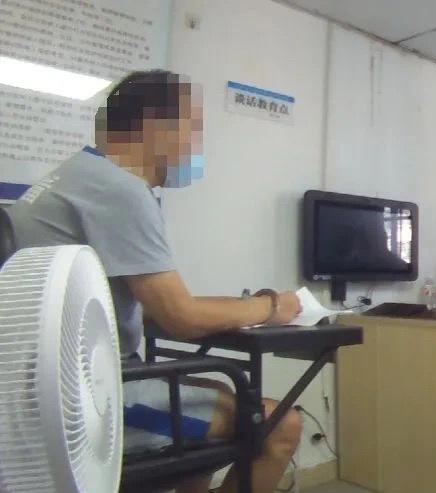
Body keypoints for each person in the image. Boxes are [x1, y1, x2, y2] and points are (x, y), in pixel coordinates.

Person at [8, 70, 303, 493]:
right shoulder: (119, 189)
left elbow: (157, 304)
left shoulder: (76, 174)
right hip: (81, 397)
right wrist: (273, 305)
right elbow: (181, 316)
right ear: (155, 127)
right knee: (280, 424)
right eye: (191, 130)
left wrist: (220, 308)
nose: (194, 147)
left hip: (40, 385)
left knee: (211, 396)